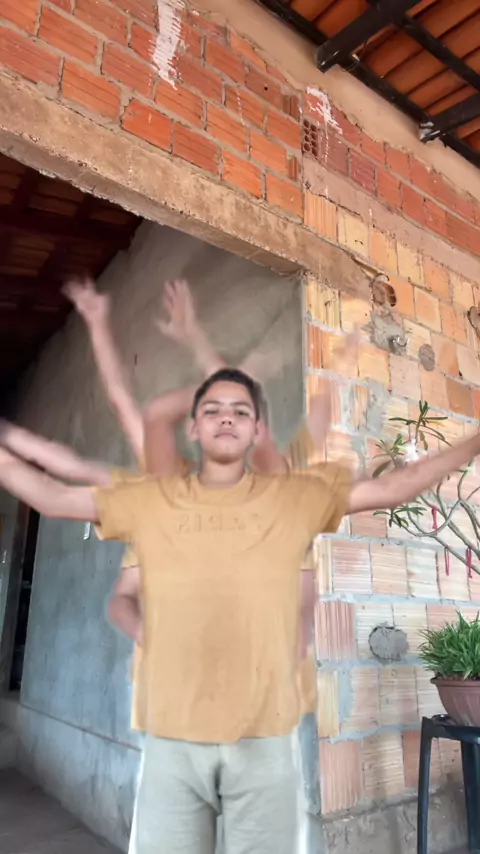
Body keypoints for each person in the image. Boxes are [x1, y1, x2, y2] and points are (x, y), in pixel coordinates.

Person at [0, 369, 478, 853]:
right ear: (193, 427)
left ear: (256, 429)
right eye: (212, 410)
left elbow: (395, 488)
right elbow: (50, 497)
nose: (226, 418)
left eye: (239, 411)